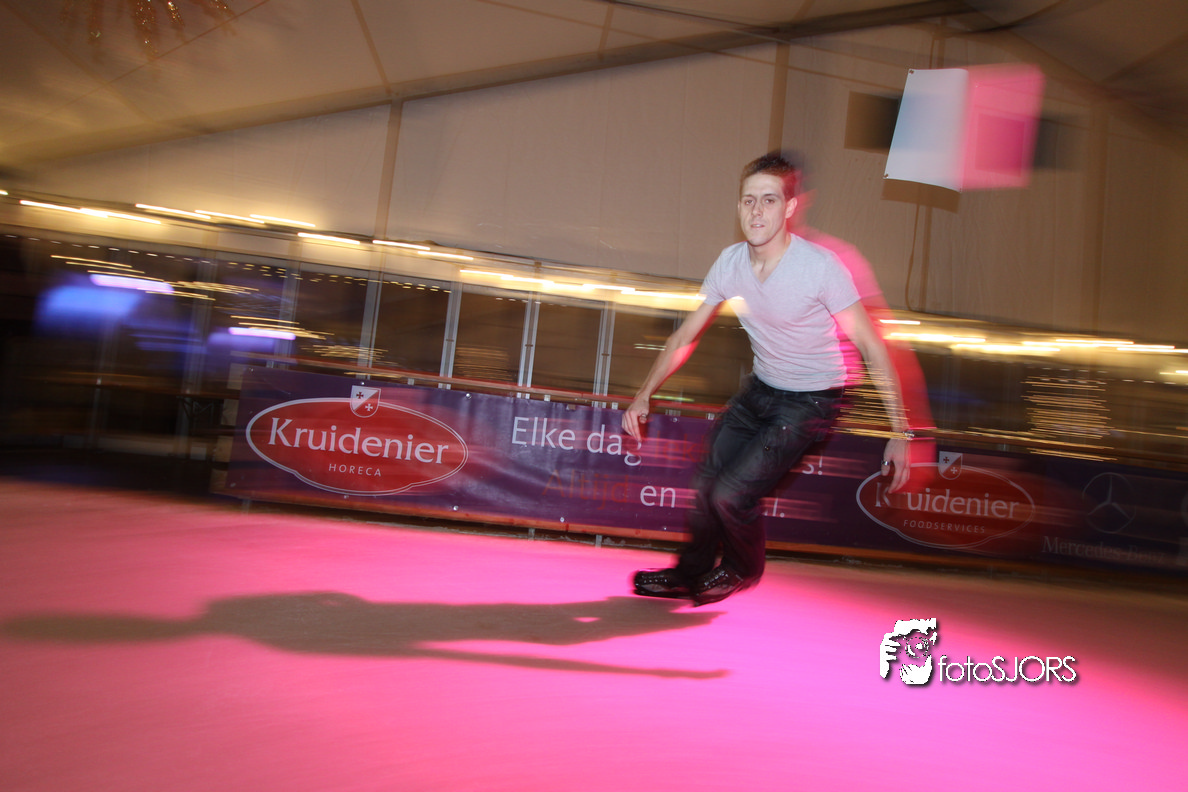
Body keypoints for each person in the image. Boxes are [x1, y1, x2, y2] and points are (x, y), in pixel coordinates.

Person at [621, 152, 922, 606]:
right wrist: (644, 394)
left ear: (789, 208)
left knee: (730, 494)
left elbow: (872, 345)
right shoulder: (730, 263)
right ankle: (690, 572)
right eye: (748, 200)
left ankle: (742, 568)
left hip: (814, 399)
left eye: (769, 200)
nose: (756, 211)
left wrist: (901, 431)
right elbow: (685, 335)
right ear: (738, 206)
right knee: (706, 484)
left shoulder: (819, 267)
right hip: (762, 388)